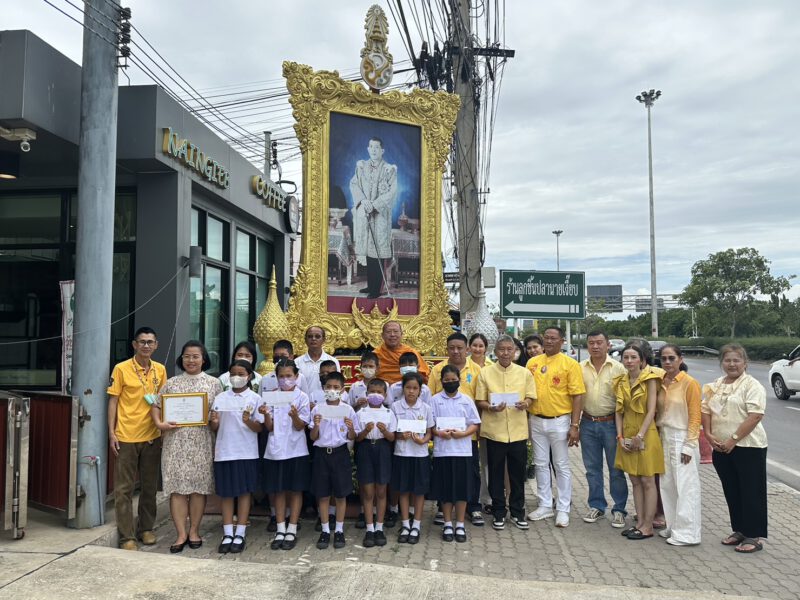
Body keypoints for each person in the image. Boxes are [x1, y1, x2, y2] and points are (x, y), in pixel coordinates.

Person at [151, 340, 221, 553]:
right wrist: (159, 423)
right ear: (181, 359)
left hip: (202, 442)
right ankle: (181, 533)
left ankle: (194, 531)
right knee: (178, 490)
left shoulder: (214, 383)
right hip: (175, 442)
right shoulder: (171, 383)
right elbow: (155, 405)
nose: (191, 360)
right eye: (187, 356)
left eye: (195, 356)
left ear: (204, 359)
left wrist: (215, 420)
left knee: (198, 489)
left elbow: (217, 412)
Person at [701, 343, 768, 554]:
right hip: (721, 447)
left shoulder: (752, 385)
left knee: (751, 492)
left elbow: (755, 416)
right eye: (728, 360)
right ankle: (739, 529)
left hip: (748, 447)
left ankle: (753, 536)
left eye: (736, 360)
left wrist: (733, 439)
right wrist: (709, 435)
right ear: (722, 363)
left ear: (745, 363)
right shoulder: (716, 385)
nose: (732, 364)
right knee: (732, 490)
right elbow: (705, 409)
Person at [107, 326, 167, 550]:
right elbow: (113, 401)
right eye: (142, 342)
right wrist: (111, 433)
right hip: (126, 435)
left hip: (152, 435)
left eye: (150, 342)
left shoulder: (160, 370)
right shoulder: (121, 368)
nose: (146, 346)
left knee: (150, 486)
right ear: (134, 345)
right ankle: (126, 537)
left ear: (156, 345)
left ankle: (146, 529)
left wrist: (162, 429)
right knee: (124, 489)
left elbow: (162, 402)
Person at [475, 335, 537, 531]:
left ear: (515, 351)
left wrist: (525, 403)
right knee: (494, 473)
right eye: (501, 349)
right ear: (495, 351)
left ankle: (518, 512)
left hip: (518, 432)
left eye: (509, 349)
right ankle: (499, 512)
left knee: (517, 474)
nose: (505, 353)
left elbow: (530, 397)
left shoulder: (524, 373)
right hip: (495, 431)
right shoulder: (485, 373)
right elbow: (480, 401)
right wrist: (491, 408)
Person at [526, 326, 586, 528]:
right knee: (540, 463)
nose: (549, 341)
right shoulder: (532, 363)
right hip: (536, 419)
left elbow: (578, 395)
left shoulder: (570, 364)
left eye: (553, 338)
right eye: (546, 338)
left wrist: (574, 425)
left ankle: (563, 509)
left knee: (561, 466)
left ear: (562, 341)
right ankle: (544, 505)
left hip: (560, 420)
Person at [428, 332, 484, 526]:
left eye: (460, 347)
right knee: (444, 474)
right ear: (447, 348)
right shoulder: (437, 370)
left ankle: (473, 507)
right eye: (452, 347)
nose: (456, 351)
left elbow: (479, 399)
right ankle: (442, 510)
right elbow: (430, 400)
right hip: (443, 435)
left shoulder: (477, 369)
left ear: (467, 348)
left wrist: (472, 429)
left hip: (468, 433)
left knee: (471, 472)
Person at [208, 360, 262, 554]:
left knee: (244, 492)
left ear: (249, 376)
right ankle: (227, 531)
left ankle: (240, 531)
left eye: (241, 373)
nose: (236, 377)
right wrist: (214, 421)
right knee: (226, 493)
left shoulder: (255, 398)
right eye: (233, 374)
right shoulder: (221, 398)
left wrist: (248, 421)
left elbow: (260, 428)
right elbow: (214, 427)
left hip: (246, 451)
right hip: (225, 450)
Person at [614, 342, 665, 540]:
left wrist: (640, 436)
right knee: (634, 480)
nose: (629, 361)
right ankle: (640, 522)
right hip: (626, 432)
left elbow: (652, 410)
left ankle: (648, 526)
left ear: (642, 360)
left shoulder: (651, 379)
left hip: (646, 432)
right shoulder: (620, 381)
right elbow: (619, 412)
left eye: (633, 357)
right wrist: (620, 437)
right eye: (626, 357)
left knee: (647, 480)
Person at [260, 358, 311, 551]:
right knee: (279, 490)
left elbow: (300, 426)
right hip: (276, 450)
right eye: (281, 376)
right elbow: (270, 427)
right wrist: (265, 413)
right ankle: (280, 528)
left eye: (289, 376)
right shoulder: (271, 396)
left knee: (295, 489)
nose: (285, 380)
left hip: (296, 449)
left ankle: (292, 527)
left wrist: (294, 415)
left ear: (296, 377)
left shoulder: (302, 397)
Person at [579, 331, 628, 528]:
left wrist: (622, 430)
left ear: (608, 345)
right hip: (588, 423)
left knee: (616, 469)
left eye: (599, 343)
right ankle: (597, 505)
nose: (595, 346)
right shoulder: (580, 368)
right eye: (591, 343)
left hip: (611, 424)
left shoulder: (619, 368)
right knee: (592, 469)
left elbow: (624, 400)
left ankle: (619, 509)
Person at [657, 344, 702, 546]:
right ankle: (673, 526)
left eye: (671, 358)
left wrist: (689, 445)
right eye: (664, 358)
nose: (667, 362)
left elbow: (695, 416)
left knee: (686, 486)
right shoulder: (660, 381)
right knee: (667, 485)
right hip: (664, 436)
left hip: (682, 436)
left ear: (680, 359)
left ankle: (688, 533)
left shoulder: (689, 383)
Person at [309, 371, 360, 549]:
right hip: (322, 454)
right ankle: (324, 530)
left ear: (342, 389)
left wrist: (351, 428)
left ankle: (339, 530)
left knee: (340, 494)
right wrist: (316, 425)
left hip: (340, 454)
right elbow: (313, 437)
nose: (332, 390)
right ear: (324, 389)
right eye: (329, 387)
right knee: (323, 494)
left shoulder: (348, 410)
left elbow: (353, 435)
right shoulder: (317, 409)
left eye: (336, 387)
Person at [350, 137, 398, 299]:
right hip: (365, 212)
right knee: (368, 251)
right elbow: (354, 184)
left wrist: (375, 204)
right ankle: (371, 285)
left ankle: (376, 289)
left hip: (380, 216)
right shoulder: (361, 167)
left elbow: (392, 192)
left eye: (377, 147)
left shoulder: (388, 170)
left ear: (382, 151)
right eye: (371, 146)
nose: (374, 150)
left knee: (377, 251)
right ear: (368, 149)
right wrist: (363, 201)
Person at [390, 371, 434, 544]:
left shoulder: (426, 408)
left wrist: (423, 439)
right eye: (408, 387)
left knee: (419, 491)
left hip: (420, 455)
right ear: (403, 388)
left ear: (420, 390)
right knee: (403, 490)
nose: (411, 391)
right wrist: (402, 436)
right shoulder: (395, 407)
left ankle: (416, 524)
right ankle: (405, 524)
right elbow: (393, 433)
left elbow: (429, 432)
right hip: (401, 454)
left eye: (415, 388)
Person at [354, 378, 396, 547]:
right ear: (367, 393)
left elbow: (393, 437)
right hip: (365, 449)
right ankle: (369, 528)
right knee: (368, 491)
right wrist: (366, 430)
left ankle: (379, 527)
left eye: (379, 392)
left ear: (385, 395)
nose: (375, 395)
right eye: (372, 392)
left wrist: (384, 431)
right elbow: (357, 438)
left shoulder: (389, 413)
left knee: (381, 491)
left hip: (383, 449)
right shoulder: (361, 413)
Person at [296, 326, 340, 397]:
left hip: (327, 405)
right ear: (305, 340)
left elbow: (337, 384)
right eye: (310, 336)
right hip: (305, 405)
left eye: (317, 336)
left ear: (324, 339)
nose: (313, 339)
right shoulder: (297, 362)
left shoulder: (333, 361)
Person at [523, 334, 544, 480]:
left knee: (558, 462)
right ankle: (545, 496)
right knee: (540, 461)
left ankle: (563, 499)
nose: (532, 350)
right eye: (529, 348)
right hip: (533, 416)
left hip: (554, 417)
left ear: (542, 347)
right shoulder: (528, 365)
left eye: (535, 347)